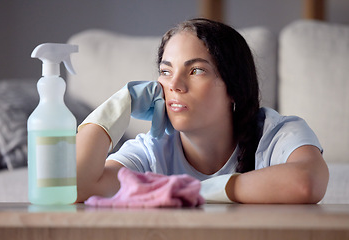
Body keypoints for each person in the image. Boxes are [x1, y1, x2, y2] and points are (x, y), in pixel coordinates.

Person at [76, 18, 329, 204]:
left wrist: (192, 190)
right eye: (165, 71)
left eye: (196, 70)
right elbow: (75, 186)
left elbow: (306, 182)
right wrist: (119, 105)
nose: (174, 85)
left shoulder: (277, 133)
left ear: (233, 86)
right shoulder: (151, 150)